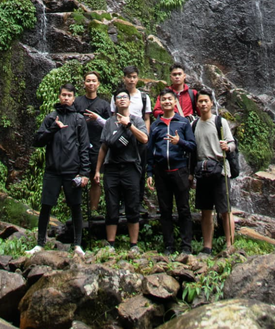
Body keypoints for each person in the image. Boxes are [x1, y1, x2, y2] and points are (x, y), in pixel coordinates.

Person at [31, 82, 90, 256]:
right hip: (53, 170)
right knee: (46, 206)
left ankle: (78, 245)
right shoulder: (51, 117)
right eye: (63, 95)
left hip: (72, 171)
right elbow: (37, 141)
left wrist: (85, 172)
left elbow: (84, 147)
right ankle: (40, 243)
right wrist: (52, 129)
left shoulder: (79, 119)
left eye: (69, 96)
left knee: (76, 206)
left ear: (73, 98)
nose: (66, 98)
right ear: (59, 96)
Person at [94, 87, 148, 253]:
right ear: (115, 102)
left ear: (129, 101)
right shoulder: (109, 122)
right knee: (111, 205)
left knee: (132, 205)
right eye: (119, 98)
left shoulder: (137, 120)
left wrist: (129, 125)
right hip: (111, 168)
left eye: (125, 97)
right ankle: (110, 244)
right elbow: (103, 147)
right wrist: (97, 170)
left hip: (131, 167)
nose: (122, 99)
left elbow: (145, 139)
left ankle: (134, 245)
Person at [146, 88, 196, 255]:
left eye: (170, 99)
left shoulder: (183, 123)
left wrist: (179, 142)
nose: (167, 102)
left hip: (179, 170)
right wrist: (150, 173)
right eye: (163, 99)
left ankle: (186, 246)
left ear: (175, 102)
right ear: (160, 103)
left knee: (183, 209)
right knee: (165, 210)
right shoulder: (155, 125)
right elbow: (150, 150)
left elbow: (192, 146)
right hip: (161, 172)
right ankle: (169, 246)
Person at [191, 88, 235, 255]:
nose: (203, 104)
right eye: (200, 101)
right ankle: (207, 246)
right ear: (197, 104)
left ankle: (230, 245)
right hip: (202, 171)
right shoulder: (193, 124)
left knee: (225, 210)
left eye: (205, 101)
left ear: (211, 103)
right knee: (206, 211)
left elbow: (232, 144)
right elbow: (191, 151)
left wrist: (227, 146)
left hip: (221, 171)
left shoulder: (220, 122)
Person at [110, 64, 151, 202]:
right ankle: (122, 203)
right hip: (120, 137)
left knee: (139, 169)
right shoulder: (117, 96)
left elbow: (146, 118)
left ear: (138, 78)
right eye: (129, 77)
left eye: (134, 77)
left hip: (138, 136)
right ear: (124, 78)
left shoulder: (144, 97)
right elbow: (112, 117)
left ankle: (138, 201)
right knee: (121, 168)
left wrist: (146, 137)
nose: (131, 80)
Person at [74, 70, 111, 213]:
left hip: (97, 146)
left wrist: (97, 119)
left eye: (94, 81)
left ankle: (93, 211)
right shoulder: (77, 102)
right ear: (84, 83)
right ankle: (77, 210)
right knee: (77, 176)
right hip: (79, 145)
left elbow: (111, 125)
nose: (91, 83)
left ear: (98, 84)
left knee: (95, 179)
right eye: (88, 81)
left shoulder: (103, 104)